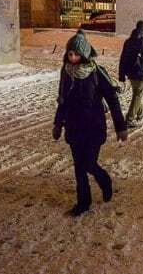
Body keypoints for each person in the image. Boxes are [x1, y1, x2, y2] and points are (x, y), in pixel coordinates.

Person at [53, 29, 128, 217]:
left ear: (84, 54)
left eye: (76, 53)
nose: (72, 57)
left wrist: (120, 126)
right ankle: (83, 203)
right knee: (79, 167)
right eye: (70, 53)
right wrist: (58, 123)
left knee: (89, 163)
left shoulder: (96, 72)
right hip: (74, 126)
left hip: (93, 126)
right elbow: (62, 99)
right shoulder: (66, 73)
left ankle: (104, 180)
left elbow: (112, 98)